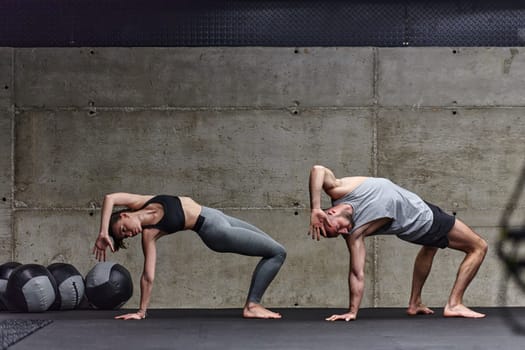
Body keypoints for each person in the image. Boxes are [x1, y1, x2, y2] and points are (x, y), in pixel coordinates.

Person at [308, 165, 488, 321]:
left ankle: (414, 303)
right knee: (478, 247)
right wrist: (352, 311)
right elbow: (357, 273)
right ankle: (454, 304)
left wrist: (315, 207)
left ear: (330, 213)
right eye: (338, 235)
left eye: (336, 229)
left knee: (431, 246)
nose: (343, 232)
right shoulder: (355, 234)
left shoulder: (339, 191)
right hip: (424, 221)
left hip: (419, 208)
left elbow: (318, 170)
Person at [93, 193, 286, 320]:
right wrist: (141, 312)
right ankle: (252, 305)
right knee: (277, 252)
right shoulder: (149, 233)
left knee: (275, 249)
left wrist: (103, 232)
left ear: (125, 215)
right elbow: (148, 275)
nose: (128, 234)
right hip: (215, 231)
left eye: (123, 229)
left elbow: (110, 197)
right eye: (124, 236)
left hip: (217, 215)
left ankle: (253, 304)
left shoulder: (141, 201)